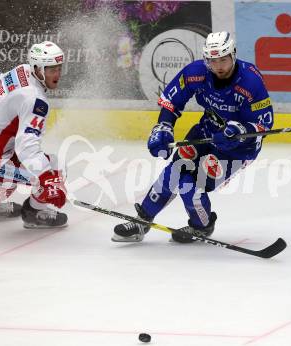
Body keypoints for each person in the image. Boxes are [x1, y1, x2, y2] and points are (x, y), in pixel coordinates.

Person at [113, 31, 274, 242]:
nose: (219, 66)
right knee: (174, 171)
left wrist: (240, 132)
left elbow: (265, 123)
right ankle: (142, 221)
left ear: (233, 55)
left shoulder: (251, 81)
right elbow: (171, 101)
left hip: (238, 149)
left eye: (224, 59)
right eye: (213, 60)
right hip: (206, 131)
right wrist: (163, 127)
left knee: (190, 184)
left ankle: (202, 226)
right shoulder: (196, 73)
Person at [0, 41, 68, 228]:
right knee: (54, 166)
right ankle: (35, 212)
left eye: (58, 68)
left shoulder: (22, 70)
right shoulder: (36, 100)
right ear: (38, 69)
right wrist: (46, 179)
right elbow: (27, 147)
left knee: (10, 163)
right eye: (50, 69)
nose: (56, 74)